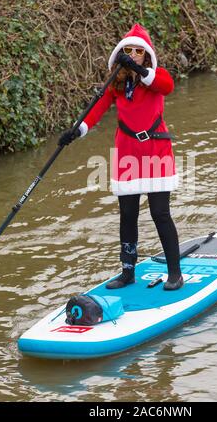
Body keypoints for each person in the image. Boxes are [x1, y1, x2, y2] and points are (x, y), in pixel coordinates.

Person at [59, 23, 183, 290]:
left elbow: (167, 86)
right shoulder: (116, 83)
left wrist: (139, 70)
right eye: (128, 50)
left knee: (160, 213)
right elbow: (96, 110)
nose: (134, 54)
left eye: (139, 51)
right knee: (127, 214)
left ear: (146, 55)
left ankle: (175, 273)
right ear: (121, 53)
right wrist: (76, 131)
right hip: (127, 154)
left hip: (156, 152)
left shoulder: (155, 77)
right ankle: (128, 272)